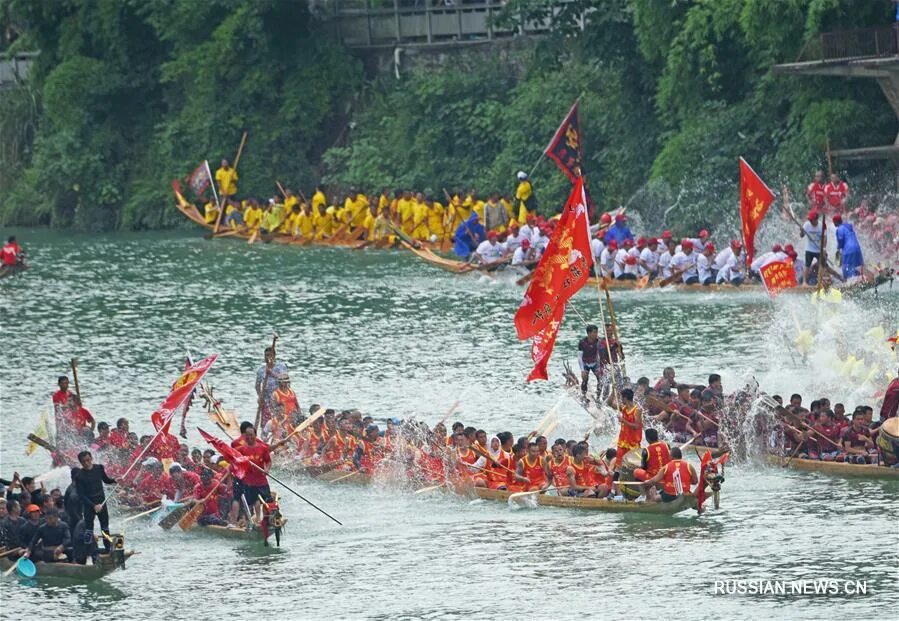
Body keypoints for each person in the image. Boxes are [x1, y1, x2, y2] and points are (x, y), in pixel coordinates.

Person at [72, 451, 116, 552]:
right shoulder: (79, 476)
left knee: (105, 527)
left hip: (102, 503)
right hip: (89, 505)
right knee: (88, 529)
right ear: (81, 463)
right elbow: (81, 495)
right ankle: (87, 551)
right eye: (84, 462)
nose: (87, 463)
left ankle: (108, 548)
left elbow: (106, 480)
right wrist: (93, 506)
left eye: (88, 460)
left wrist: (115, 480)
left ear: (91, 458)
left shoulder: (99, 468)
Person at [229, 422, 272, 524]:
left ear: (255, 435)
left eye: (251, 435)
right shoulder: (241, 450)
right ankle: (250, 521)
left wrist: (267, 469)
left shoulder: (263, 448)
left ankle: (268, 520)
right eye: (247, 435)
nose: (249, 437)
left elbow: (268, 461)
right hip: (249, 483)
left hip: (262, 481)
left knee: (268, 502)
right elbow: (234, 463)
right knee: (251, 503)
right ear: (244, 437)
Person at [256, 347, 287, 430]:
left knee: (281, 422)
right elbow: (257, 385)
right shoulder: (261, 369)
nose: (267, 357)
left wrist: (271, 373)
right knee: (266, 423)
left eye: (269, 355)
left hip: (279, 401)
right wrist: (260, 396)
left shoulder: (281, 367)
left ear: (274, 356)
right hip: (266, 400)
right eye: (265, 355)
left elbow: (285, 381)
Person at [615, 388, 643, 463]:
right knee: (619, 463)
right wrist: (613, 391)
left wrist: (623, 421)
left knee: (632, 464)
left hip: (633, 443)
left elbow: (637, 426)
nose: (621, 400)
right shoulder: (624, 408)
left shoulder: (637, 410)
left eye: (621, 398)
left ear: (625, 398)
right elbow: (610, 403)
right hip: (623, 441)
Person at [833, 214, 864, 280]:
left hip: (848, 251)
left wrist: (838, 249)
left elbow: (841, 241)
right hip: (857, 249)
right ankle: (862, 280)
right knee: (858, 267)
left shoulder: (839, 229)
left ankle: (849, 284)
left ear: (836, 222)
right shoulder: (849, 226)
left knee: (846, 269)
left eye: (834, 222)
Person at [800, 209, 824, 285]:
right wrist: (801, 231)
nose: (810, 221)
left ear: (816, 219)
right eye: (809, 219)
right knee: (807, 265)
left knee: (821, 265)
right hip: (809, 249)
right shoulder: (806, 225)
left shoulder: (821, 226)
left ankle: (820, 282)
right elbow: (801, 236)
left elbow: (824, 238)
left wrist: (823, 248)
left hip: (818, 249)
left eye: (811, 219)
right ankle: (804, 282)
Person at [578, 325, 602, 395]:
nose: (596, 334)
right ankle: (584, 395)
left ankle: (598, 397)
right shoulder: (582, 342)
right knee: (585, 379)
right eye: (594, 332)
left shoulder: (599, 341)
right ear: (588, 333)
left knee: (600, 379)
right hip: (585, 363)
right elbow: (579, 357)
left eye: (597, 332)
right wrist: (582, 371)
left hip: (595, 363)